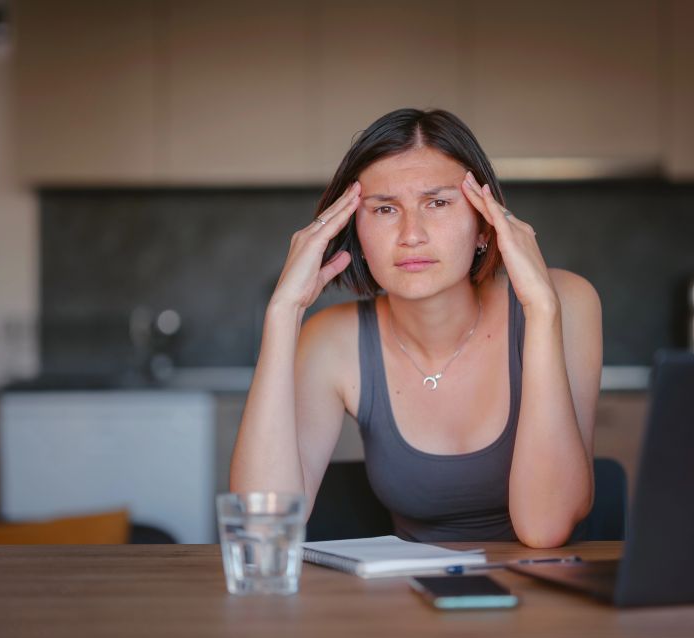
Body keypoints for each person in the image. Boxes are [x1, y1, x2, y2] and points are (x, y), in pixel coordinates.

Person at [230, 108, 602, 547]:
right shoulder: (332, 341)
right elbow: (262, 529)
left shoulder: (566, 301)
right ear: (357, 232)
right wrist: (283, 311)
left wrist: (540, 309)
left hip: (549, 604)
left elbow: (545, 528)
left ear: (485, 224)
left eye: (438, 203)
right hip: (409, 604)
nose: (411, 234)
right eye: (385, 209)